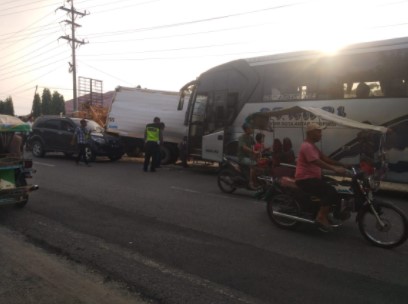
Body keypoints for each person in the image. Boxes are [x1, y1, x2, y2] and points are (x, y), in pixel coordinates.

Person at [295, 123, 348, 230]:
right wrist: (335, 169)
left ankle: (331, 211)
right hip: (305, 179)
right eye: (318, 131)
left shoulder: (313, 146)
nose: (321, 134)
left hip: (314, 177)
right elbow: (316, 161)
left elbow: (324, 158)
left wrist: (342, 164)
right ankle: (321, 216)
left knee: (338, 186)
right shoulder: (307, 146)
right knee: (330, 191)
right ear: (310, 133)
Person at [238, 123, 260, 190]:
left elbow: (256, 145)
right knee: (254, 164)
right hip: (242, 158)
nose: (252, 129)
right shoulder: (242, 138)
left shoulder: (250, 138)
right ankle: (251, 182)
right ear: (246, 130)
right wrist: (253, 151)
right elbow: (244, 147)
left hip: (249, 157)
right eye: (250, 128)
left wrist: (262, 148)